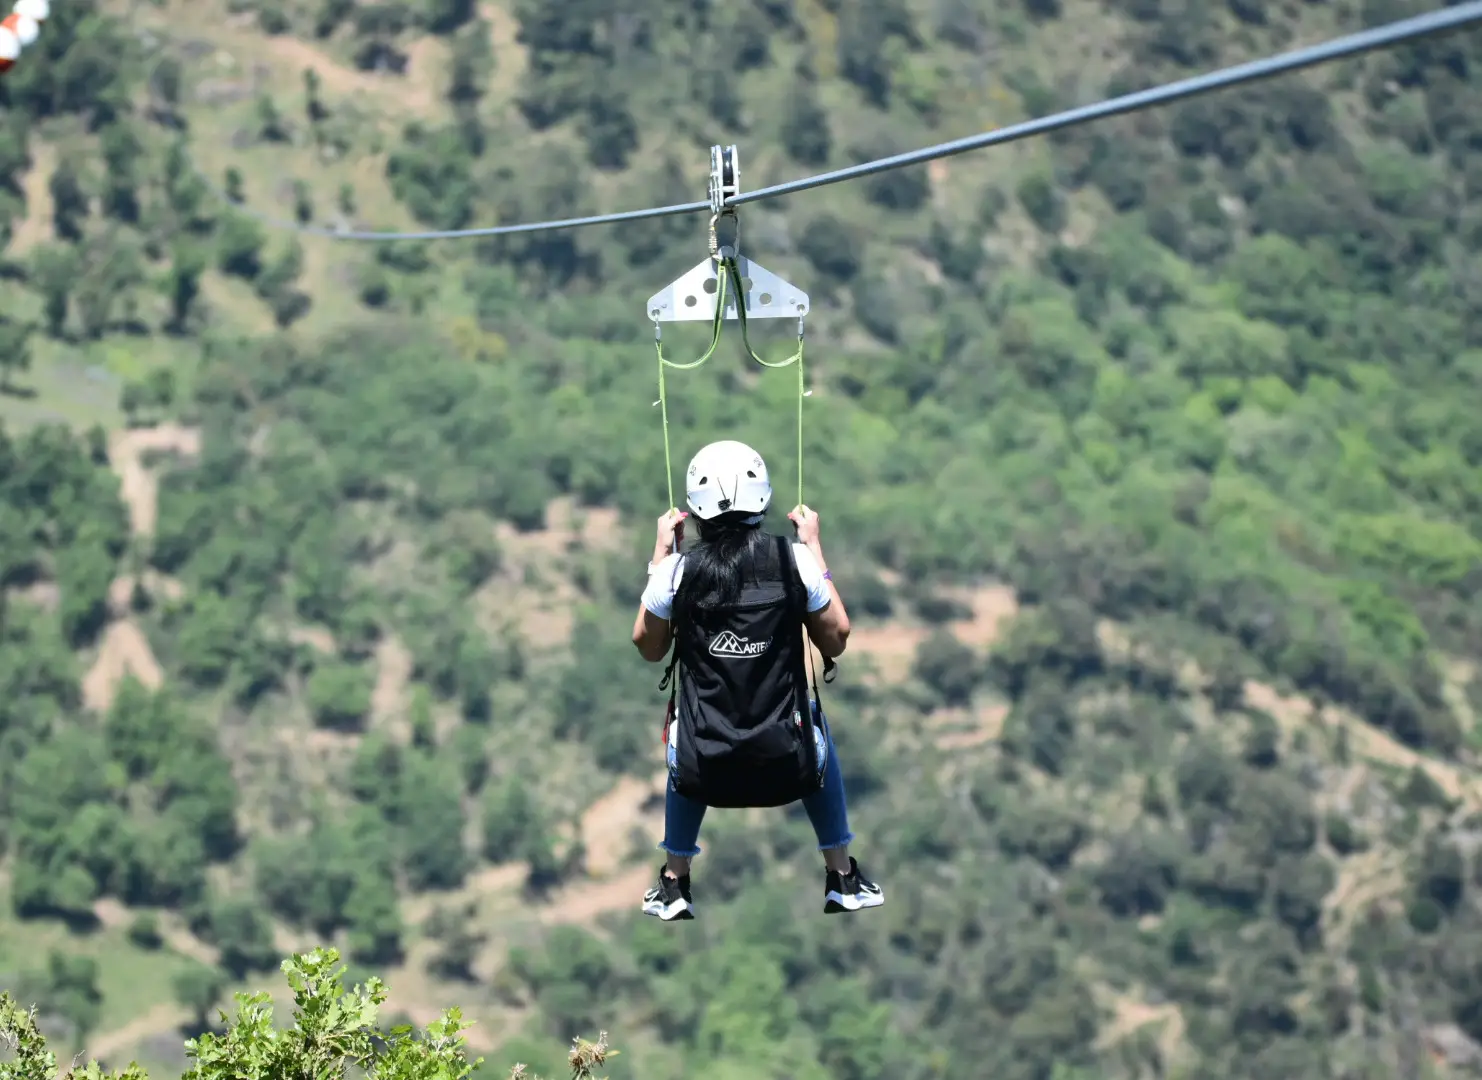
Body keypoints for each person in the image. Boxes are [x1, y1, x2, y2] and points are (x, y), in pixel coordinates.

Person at [631, 439, 884, 921]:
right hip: (787, 763)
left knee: (685, 729)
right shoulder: (794, 563)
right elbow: (837, 637)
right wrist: (813, 546)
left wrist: (660, 555)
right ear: (763, 500)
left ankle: (674, 881)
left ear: (695, 509)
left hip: (703, 769)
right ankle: (842, 874)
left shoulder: (678, 571)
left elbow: (648, 646)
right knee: (811, 723)